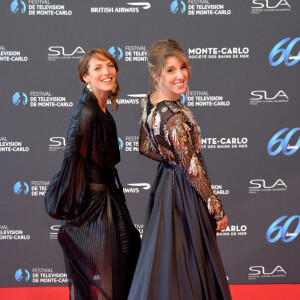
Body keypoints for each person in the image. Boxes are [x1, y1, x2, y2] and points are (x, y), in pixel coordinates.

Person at [128, 40, 232, 300]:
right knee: (191, 260)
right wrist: (216, 208)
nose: (180, 75)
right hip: (186, 193)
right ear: (156, 75)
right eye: (170, 70)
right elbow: (193, 169)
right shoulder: (173, 118)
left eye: (182, 67)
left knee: (167, 260)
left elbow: (144, 147)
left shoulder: (151, 103)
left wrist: (168, 159)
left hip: (166, 186)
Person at [45, 48, 140, 300]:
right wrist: (75, 213)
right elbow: (72, 165)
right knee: (110, 270)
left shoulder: (103, 109)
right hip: (92, 208)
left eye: (109, 66)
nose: (106, 72)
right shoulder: (86, 114)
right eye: (97, 68)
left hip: (108, 200)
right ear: (85, 77)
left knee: (121, 265)